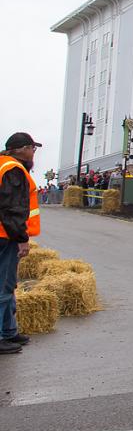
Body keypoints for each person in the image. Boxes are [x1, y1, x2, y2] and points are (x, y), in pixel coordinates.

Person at [0, 133, 41, 354]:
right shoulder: (13, 170)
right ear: (21, 149)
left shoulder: (3, 165)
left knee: (7, 284)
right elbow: (11, 208)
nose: (33, 153)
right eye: (32, 148)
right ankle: (2, 334)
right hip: (5, 235)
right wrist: (22, 238)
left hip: (4, 233)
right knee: (4, 286)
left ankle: (8, 330)